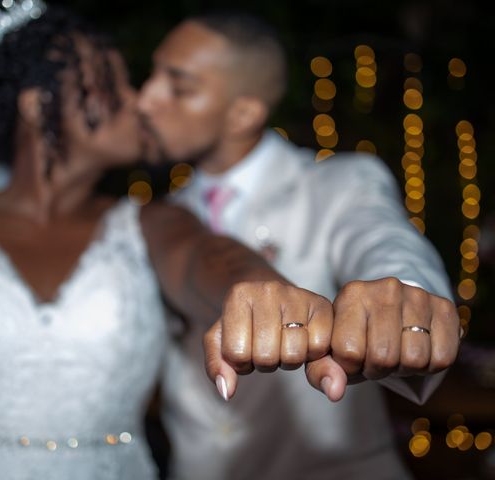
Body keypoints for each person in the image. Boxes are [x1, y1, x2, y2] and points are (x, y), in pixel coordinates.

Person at [0, 3, 338, 479]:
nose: (139, 101)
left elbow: (206, 258)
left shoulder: (153, 222)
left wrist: (257, 286)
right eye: (111, 81)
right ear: (36, 102)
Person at [136, 11, 461, 479]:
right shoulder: (158, 217)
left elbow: (379, 237)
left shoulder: (338, 182)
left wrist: (404, 292)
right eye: (151, 76)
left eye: (178, 86)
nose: (146, 100)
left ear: (244, 112)